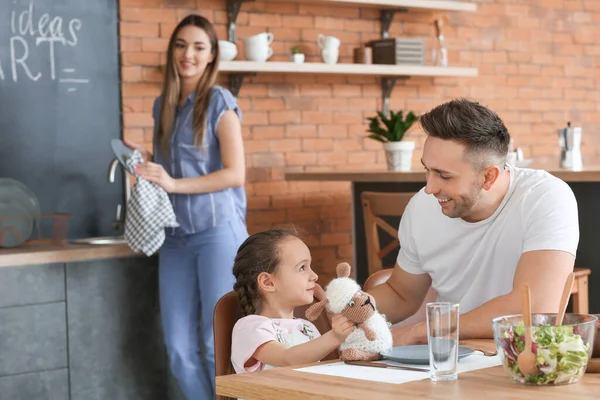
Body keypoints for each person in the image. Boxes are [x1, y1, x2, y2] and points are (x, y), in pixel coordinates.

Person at [368, 99, 579, 346]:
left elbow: (535, 309)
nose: (430, 187)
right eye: (428, 170)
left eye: (444, 176)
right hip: (448, 358)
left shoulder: (545, 197)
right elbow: (402, 295)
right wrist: (351, 305)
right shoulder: (421, 207)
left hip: (521, 357)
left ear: (489, 176)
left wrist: (422, 332)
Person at [125, 14, 248, 400]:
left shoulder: (219, 102)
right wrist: (146, 162)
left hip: (217, 234)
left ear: (212, 56)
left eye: (198, 46)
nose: (188, 54)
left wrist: (174, 183)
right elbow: (169, 172)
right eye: (181, 45)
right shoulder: (163, 105)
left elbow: (235, 174)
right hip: (175, 236)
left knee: (217, 347)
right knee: (179, 350)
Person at [230, 229, 356, 373]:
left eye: (310, 266)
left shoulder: (307, 328)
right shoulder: (249, 328)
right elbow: (287, 358)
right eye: (302, 267)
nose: (314, 275)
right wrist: (335, 336)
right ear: (268, 282)